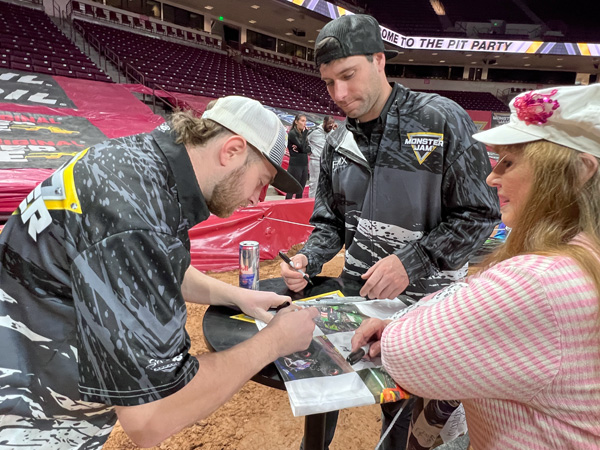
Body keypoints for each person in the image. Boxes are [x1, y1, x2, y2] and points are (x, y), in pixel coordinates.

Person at [0, 96, 319, 449]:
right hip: (28, 420)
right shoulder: (137, 214)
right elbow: (151, 416)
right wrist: (274, 342)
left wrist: (237, 295)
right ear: (231, 150)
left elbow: (153, 268)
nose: (260, 199)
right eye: (262, 180)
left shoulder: (140, 163)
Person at [280, 14, 500, 450]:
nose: (339, 94)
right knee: (324, 389)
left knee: (405, 415)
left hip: (428, 306)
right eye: (328, 83)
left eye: (348, 75)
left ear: (379, 61)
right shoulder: (339, 140)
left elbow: (480, 214)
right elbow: (330, 222)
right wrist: (311, 258)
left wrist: (412, 261)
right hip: (356, 298)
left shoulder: (441, 119)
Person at [353, 83, 600, 449]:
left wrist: (396, 327)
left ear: (578, 171)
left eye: (510, 162)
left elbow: (408, 358)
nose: (492, 177)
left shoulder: (540, 278)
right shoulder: (580, 252)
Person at [307, 115, 336, 198]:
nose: (331, 125)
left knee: (326, 184)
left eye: (332, 123)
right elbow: (304, 141)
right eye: (329, 123)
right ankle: (311, 203)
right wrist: (308, 150)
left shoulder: (332, 132)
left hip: (327, 162)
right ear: (324, 122)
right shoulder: (314, 131)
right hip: (316, 161)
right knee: (314, 183)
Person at [285, 113, 311, 199]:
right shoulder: (292, 133)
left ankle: (296, 210)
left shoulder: (303, 135)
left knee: (300, 190)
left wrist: (303, 149)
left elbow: (308, 149)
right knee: (291, 190)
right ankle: (286, 208)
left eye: (305, 121)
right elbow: (302, 148)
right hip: (295, 165)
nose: (304, 123)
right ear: (296, 121)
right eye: (302, 121)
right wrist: (304, 135)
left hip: (304, 164)